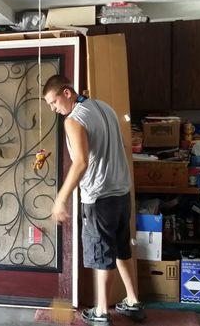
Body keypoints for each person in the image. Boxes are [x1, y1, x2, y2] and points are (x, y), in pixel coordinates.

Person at [43, 75, 144, 326]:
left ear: (67, 93)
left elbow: (81, 163)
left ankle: (101, 311)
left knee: (102, 256)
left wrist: (60, 198)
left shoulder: (74, 120)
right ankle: (133, 301)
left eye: (53, 102)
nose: (53, 109)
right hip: (121, 192)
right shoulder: (105, 108)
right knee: (121, 249)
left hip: (99, 198)